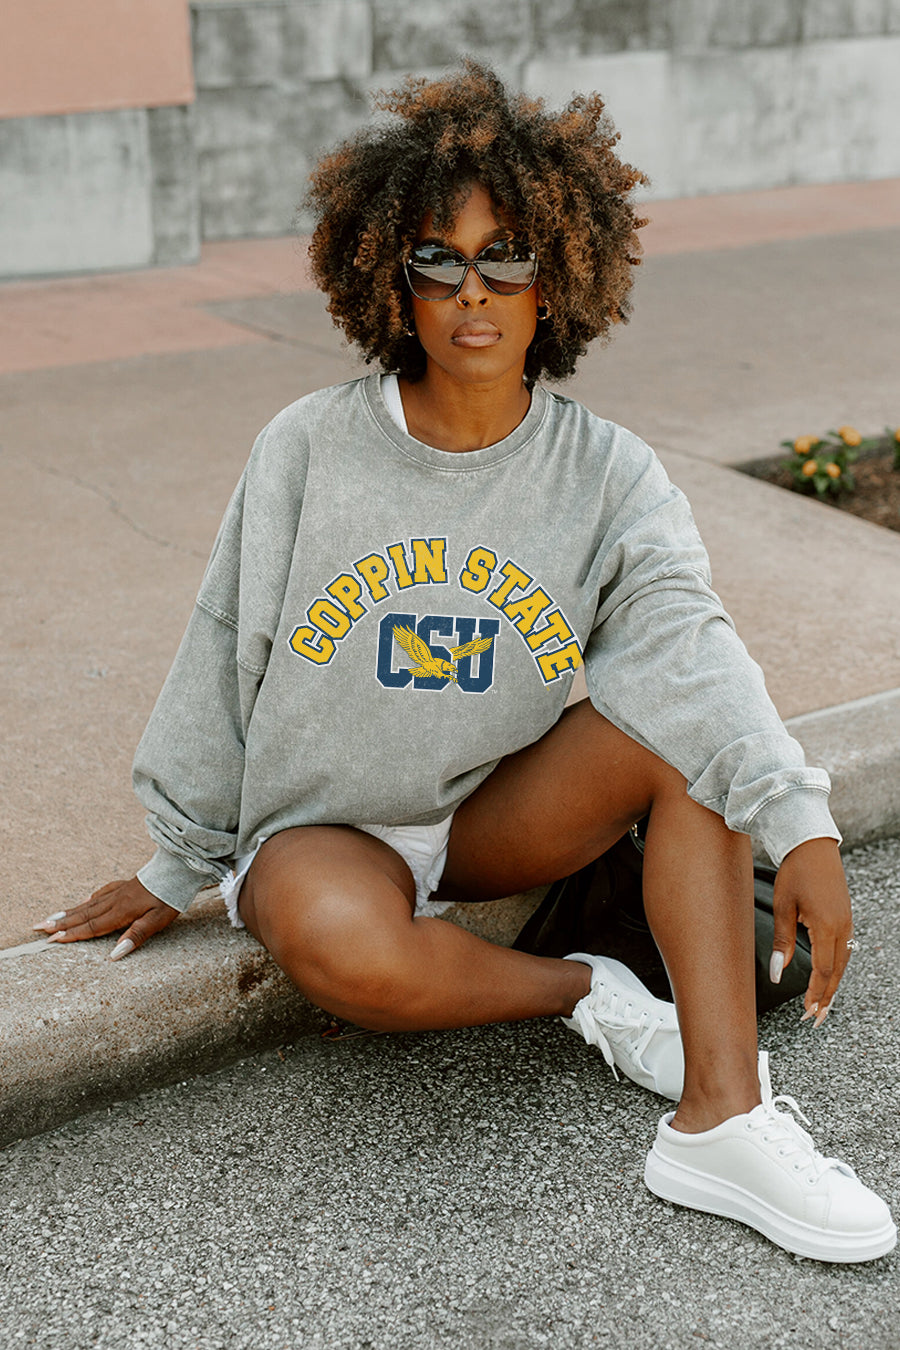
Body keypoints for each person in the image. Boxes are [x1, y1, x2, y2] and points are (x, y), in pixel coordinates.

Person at [36, 62, 894, 1263]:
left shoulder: (607, 476)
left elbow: (692, 653)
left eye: (508, 259)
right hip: (326, 827)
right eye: (439, 260)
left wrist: (800, 822)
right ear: (393, 278)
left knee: (682, 728)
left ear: (562, 279)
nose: (473, 291)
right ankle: (588, 991)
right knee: (346, 954)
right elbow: (227, 646)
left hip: (493, 815)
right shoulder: (310, 450)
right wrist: (178, 858)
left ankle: (723, 1119)